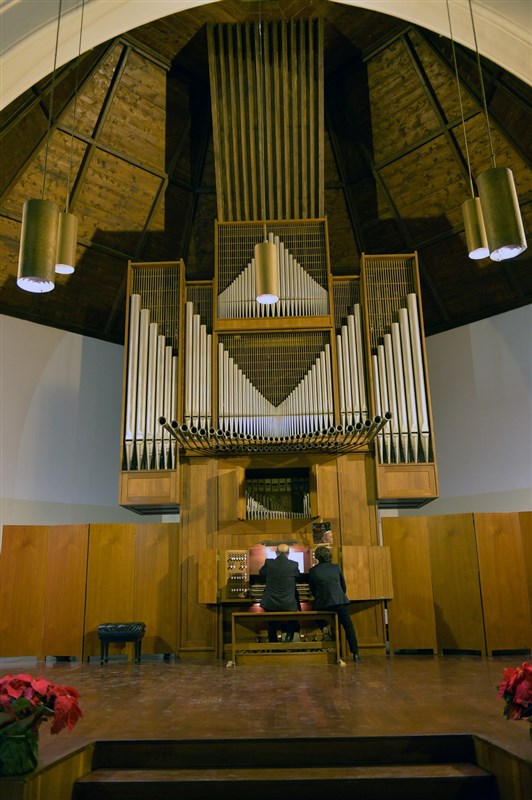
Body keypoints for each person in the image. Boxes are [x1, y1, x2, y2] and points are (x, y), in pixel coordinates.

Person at [308, 544, 361, 662]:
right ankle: (355, 653)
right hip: (340, 601)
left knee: (312, 612)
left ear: (317, 557)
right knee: (348, 626)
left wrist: (320, 597)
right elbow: (343, 586)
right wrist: (339, 596)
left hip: (323, 603)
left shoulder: (313, 570)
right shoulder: (336, 567)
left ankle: (324, 628)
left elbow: (312, 589)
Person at [259, 543, 301, 642]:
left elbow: (261, 573)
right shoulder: (294, 564)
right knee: (294, 614)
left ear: (276, 553)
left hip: (271, 604)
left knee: (271, 622)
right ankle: (289, 636)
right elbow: (299, 576)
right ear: (288, 553)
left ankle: (273, 642)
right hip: (288, 604)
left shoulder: (269, 563)